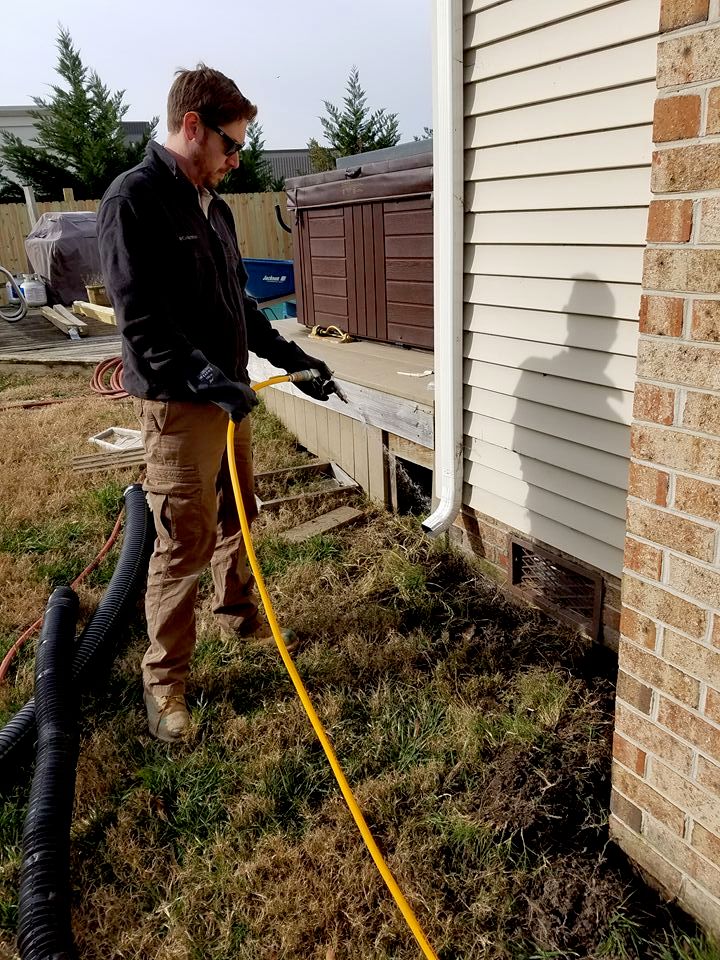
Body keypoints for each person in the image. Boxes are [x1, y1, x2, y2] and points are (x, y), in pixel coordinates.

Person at [97, 64, 339, 743]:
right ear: (192, 126)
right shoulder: (133, 200)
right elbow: (142, 320)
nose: (235, 161)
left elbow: (242, 308)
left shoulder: (217, 207)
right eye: (229, 146)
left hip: (226, 396)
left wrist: (294, 361)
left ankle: (237, 616)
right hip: (180, 406)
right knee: (184, 543)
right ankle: (164, 686)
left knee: (239, 511)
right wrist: (208, 379)